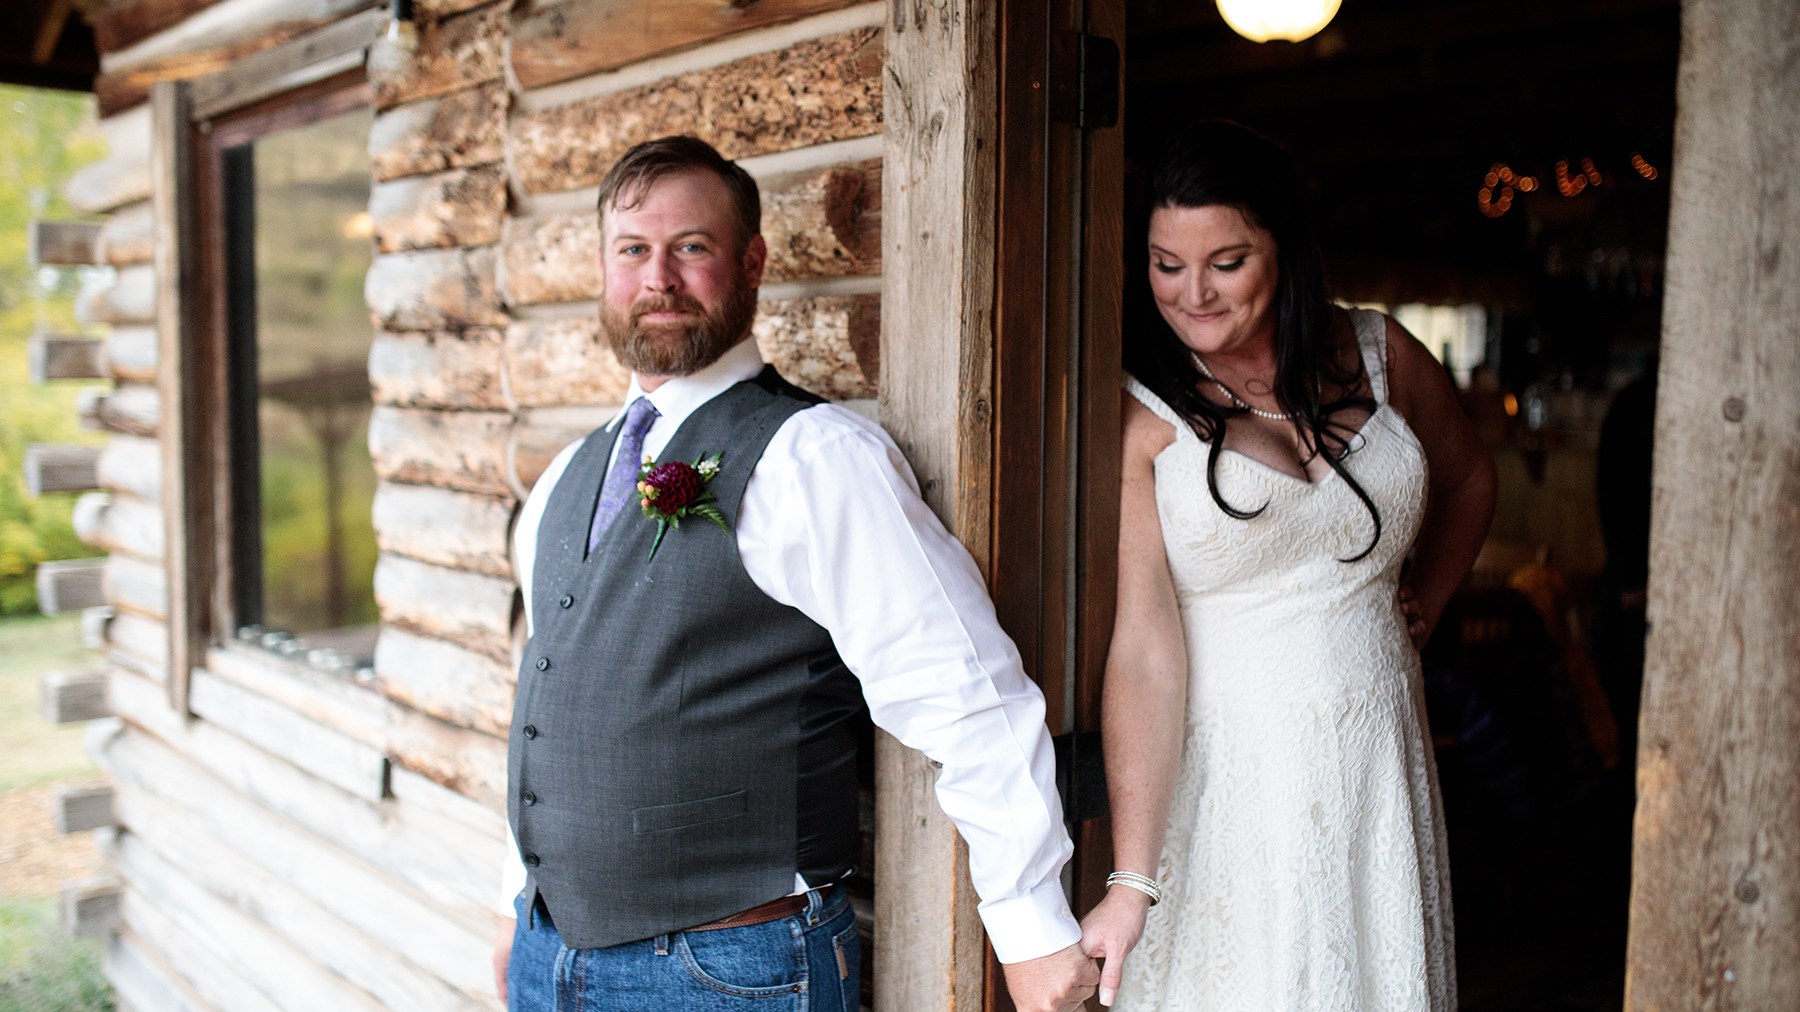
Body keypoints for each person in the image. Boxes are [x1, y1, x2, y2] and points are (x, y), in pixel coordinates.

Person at [490, 136, 1098, 1012]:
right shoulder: (561, 482)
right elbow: (545, 710)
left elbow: (964, 690)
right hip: (549, 961)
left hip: (731, 971)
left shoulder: (817, 458)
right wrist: (514, 905)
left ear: (752, 263)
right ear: (604, 269)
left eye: (691, 247)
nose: (658, 276)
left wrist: (1032, 927)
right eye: (633, 250)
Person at [1078, 121, 1496, 1009]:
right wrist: (1132, 880)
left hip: (1379, 751)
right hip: (1235, 778)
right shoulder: (1143, 414)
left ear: (1287, 251)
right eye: (1166, 263)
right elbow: (1146, 649)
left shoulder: (1382, 355)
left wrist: (1431, 594)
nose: (1192, 293)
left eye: (1225, 262)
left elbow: (1467, 477)